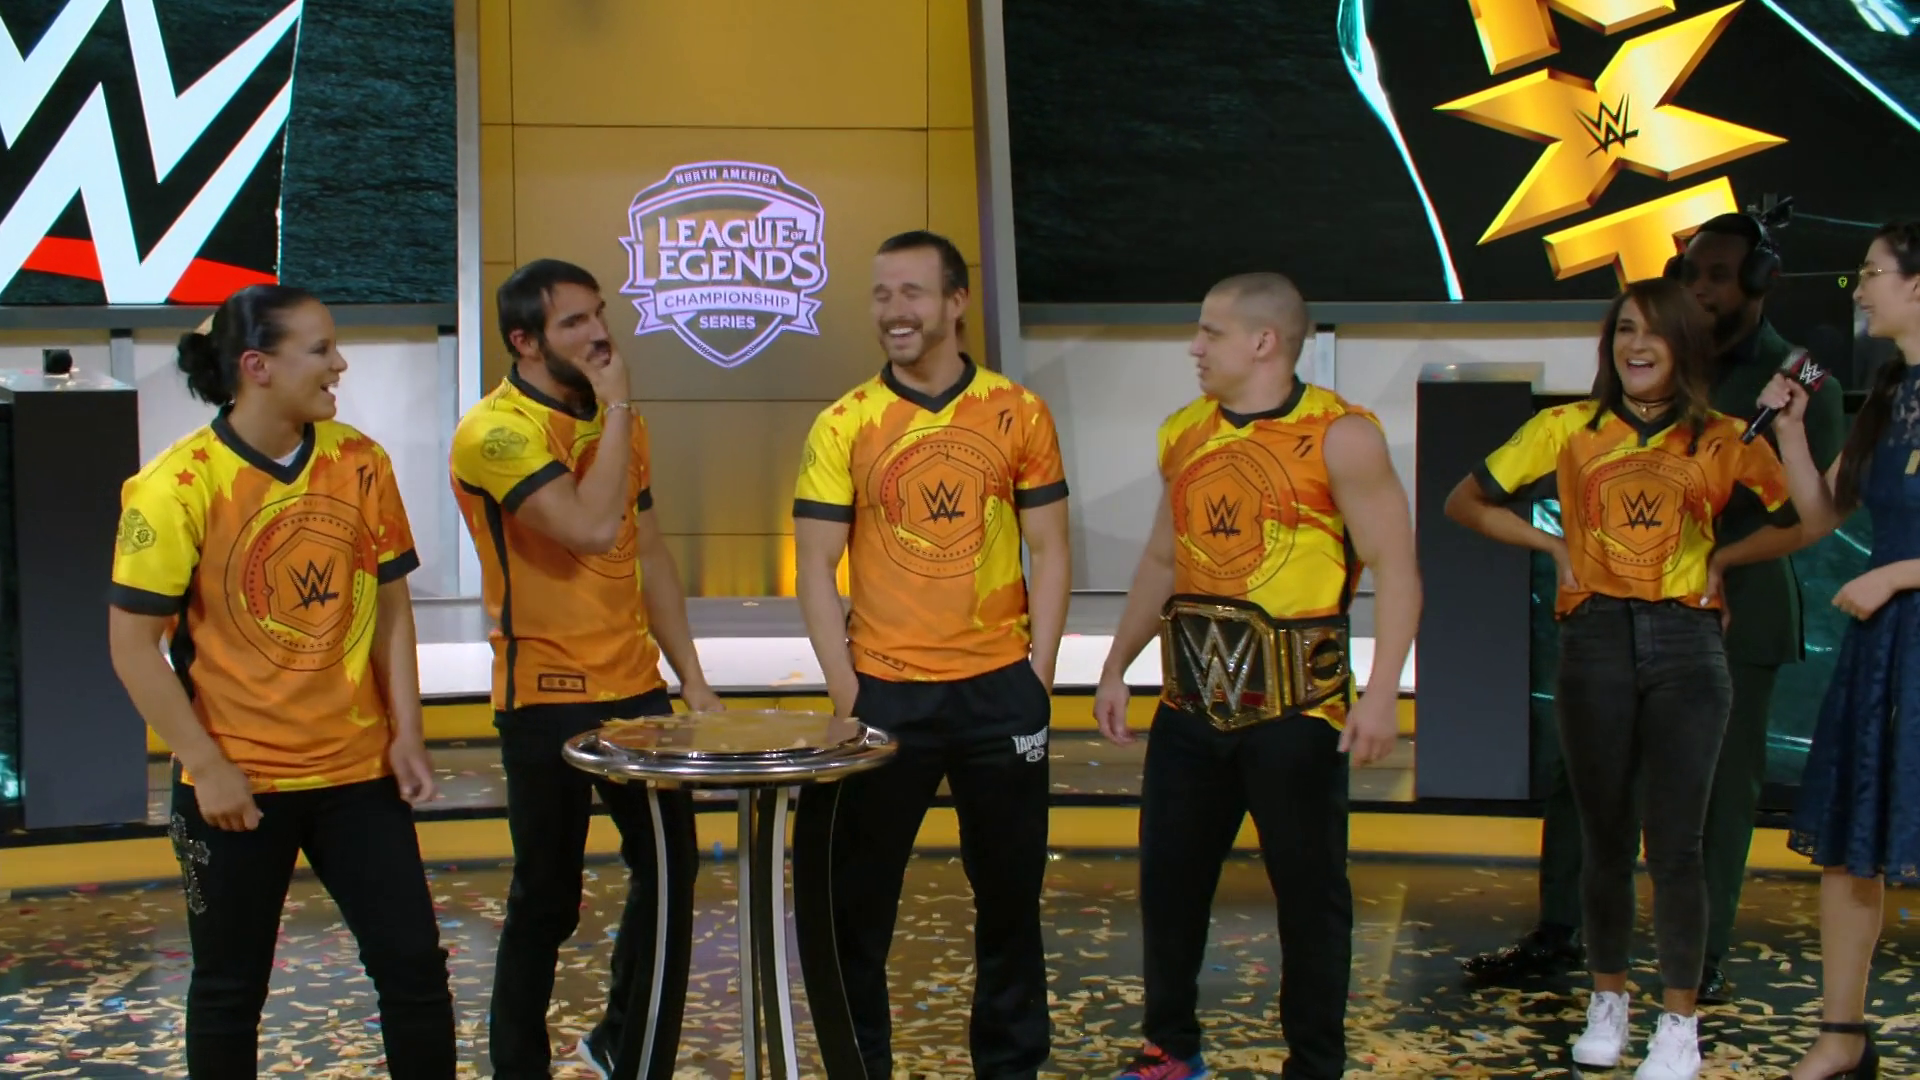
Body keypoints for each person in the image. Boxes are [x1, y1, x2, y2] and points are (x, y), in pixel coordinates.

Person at [1461, 213, 1847, 1001]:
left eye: (1717, 275)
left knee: (1714, 795)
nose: (1698, 289)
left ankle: (1697, 963)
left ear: (1760, 282)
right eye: (1689, 273)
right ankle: (1562, 933)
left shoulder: (1799, 385)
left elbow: (1812, 512)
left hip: (1731, 612)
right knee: (1586, 779)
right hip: (1616, 605)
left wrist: (1720, 559)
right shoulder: (1638, 370)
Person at [106, 285, 455, 1078]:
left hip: (357, 775)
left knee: (413, 970)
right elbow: (132, 648)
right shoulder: (177, 486)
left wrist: (407, 730)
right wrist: (208, 765)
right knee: (229, 992)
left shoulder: (360, 462)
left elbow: (390, 606)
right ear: (256, 367)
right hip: (238, 787)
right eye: (320, 349)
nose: (340, 364)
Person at [1090, 273, 1417, 1080]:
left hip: (1297, 715)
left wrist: (1381, 695)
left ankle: (1314, 1064)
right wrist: (1115, 664)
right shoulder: (1184, 433)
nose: (1194, 348)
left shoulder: (1342, 436)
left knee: (1310, 900)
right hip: (1189, 706)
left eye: (1211, 332)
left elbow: (1398, 569)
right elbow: (1162, 559)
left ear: (1264, 341)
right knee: (1169, 889)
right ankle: (1170, 1050)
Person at [792, 230, 1071, 1079]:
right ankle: (861, 1067)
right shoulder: (843, 422)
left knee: (1011, 907)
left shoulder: (1019, 412)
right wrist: (849, 694)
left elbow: (1051, 548)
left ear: (956, 301)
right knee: (856, 909)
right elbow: (814, 565)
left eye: (911, 292)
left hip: (999, 695)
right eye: (881, 294)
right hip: (887, 697)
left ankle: (1010, 1069)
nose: (894, 311)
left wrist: (1037, 677)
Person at [450, 258, 719, 1080]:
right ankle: (517, 1066)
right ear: (525, 342)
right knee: (547, 898)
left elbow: (648, 551)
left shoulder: (618, 422)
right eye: (574, 322)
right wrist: (619, 408)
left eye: (600, 313)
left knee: (671, 875)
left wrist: (692, 677)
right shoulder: (495, 433)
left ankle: (624, 1045)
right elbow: (590, 528)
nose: (600, 333)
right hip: (545, 696)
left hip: (636, 687)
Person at [1775, 220, 1920, 1080]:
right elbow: (1821, 515)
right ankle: (1840, 1035)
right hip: (1886, 645)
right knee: (1851, 839)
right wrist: (1793, 431)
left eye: (1871, 273)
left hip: (1902, 611)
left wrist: (1900, 574)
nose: (1857, 290)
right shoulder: (1890, 395)